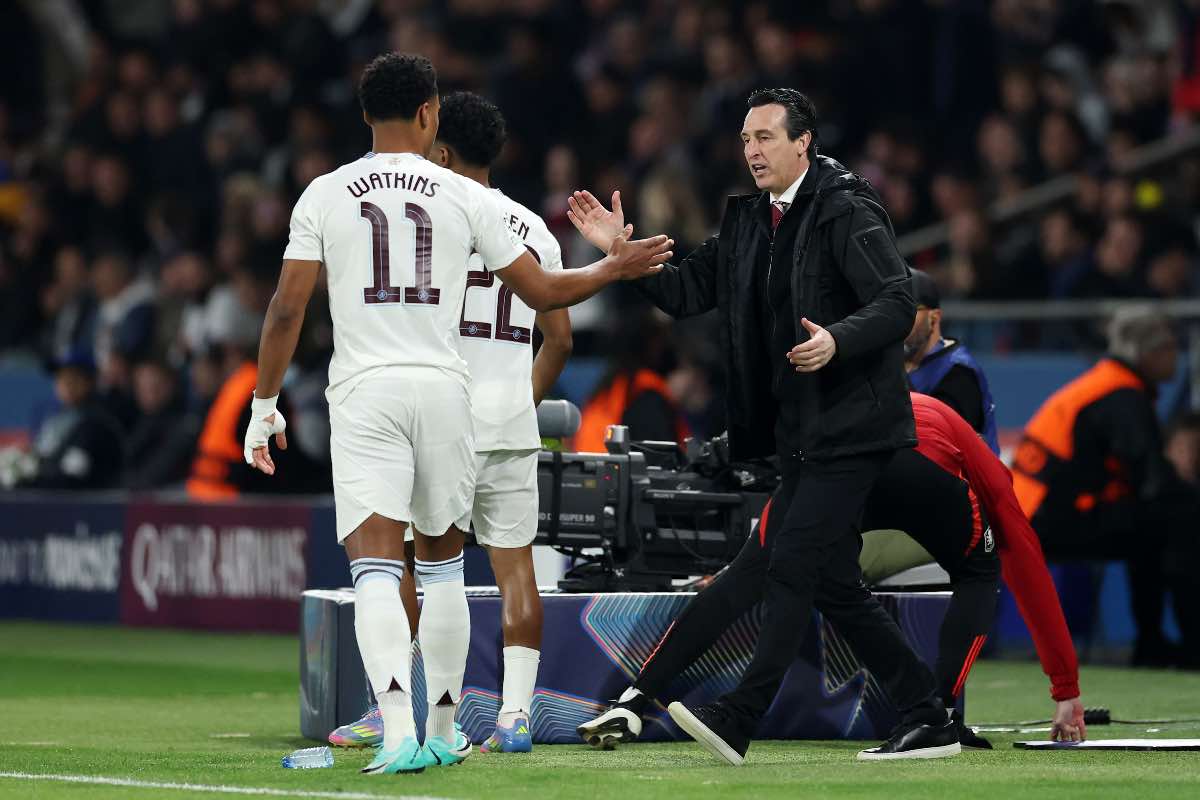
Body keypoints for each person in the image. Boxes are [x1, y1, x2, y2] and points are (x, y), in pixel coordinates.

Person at [243, 53, 672, 776]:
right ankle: (447, 730)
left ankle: (398, 726)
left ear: (365, 115)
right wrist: (610, 269)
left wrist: (264, 403)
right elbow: (542, 293)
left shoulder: (323, 191)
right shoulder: (467, 196)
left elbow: (288, 307)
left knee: (378, 567)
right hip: (449, 395)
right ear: (428, 113)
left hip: (367, 392)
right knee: (445, 570)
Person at [569, 88, 957, 763]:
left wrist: (838, 339)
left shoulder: (847, 205)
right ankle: (927, 713)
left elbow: (897, 300)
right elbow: (689, 291)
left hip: (855, 428)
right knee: (834, 584)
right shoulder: (751, 221)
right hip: (798, 434)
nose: (752, 150)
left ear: (804, 141)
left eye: (766, 137)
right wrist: (622, 263)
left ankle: (741, 713)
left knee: (790, 566)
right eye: (747, 139)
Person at [578, 392, 1086, 750]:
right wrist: (1065, 688)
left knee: (776, 577)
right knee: (978, 568)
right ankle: (939, 713)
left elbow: (732, 593)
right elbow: (1024, 551)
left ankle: (639, 697)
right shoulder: (946, 422)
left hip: (836, 473)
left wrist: (643, 688)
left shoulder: (824, 420)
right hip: (927, 473)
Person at [327, 91, 575, 754]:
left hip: (444, 418)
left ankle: (401, 713)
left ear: (439, 150)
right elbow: (561, 339)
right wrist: (516, 398)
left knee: (417, 564)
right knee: (516, 568)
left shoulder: (430, 221)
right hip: (510, 422)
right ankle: (515, 718)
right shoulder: (537, 230)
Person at [1012, 307, 1200, 667]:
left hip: (1030, 513)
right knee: (1180, 522)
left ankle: (1153, 643)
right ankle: (1182, 646)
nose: (1176, 356)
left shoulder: (1103, 384)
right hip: (1049, 520)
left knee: (1153, 526)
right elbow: (1152, 478)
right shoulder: (1122, 396)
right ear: (1149, 352)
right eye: (1171, 348)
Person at [904, 269, 999, 453]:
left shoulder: (957, 372)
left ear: (935, 317)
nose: (900, 322)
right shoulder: (905, 362)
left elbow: (939, 444)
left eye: (909, 311)